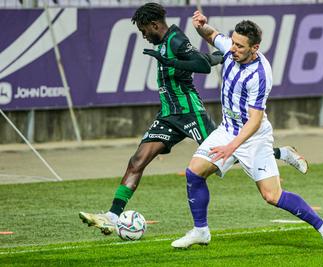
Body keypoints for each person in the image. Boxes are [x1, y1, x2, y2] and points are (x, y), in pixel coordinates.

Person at [79, 3, 308, 236]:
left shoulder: (176, 39)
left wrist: (174, 62)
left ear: (154, 25)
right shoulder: (163, 44)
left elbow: (200, 64)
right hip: (168, 115)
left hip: (191, 113)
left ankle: (281, 153)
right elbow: (207, 52)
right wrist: (213, 51)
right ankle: (112, 216)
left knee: (225, 155)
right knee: (138, 160)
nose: (143, 35)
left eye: (143, 29)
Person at [171, 11, 323, 254]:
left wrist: (232, 147)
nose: (233, 49)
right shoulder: (231, 48)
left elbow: (254, 121)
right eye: (233, 42)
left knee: (272, 196)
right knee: (194, 172)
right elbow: (211, 35)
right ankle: (201, 230)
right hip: (228, 130)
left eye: (240, 46)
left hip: (253, 137)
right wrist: (201, 26)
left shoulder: (261, 74)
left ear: (255, 48)